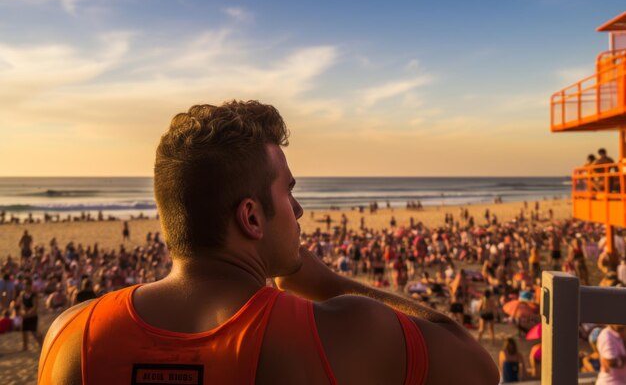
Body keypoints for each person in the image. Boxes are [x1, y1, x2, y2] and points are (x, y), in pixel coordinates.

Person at [39, 101, 498, 384]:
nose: (297, 211)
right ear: (252, 217)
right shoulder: (337, 332)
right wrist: (326, 283)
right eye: (289, 192)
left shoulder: (72, 336)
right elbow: (477, 368)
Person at [17, 277, 43, 351]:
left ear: (30, 285)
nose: (25, 286)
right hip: (25, 315)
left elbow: (35, 306)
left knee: (34, 332)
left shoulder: (34, 295)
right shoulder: (22, 294)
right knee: (24, 331)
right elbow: (21, 305)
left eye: (27, 285)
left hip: (32, 315)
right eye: (25, 285)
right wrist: (23, 312)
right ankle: (25, 347)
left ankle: (42, 346)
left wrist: (28, 313)